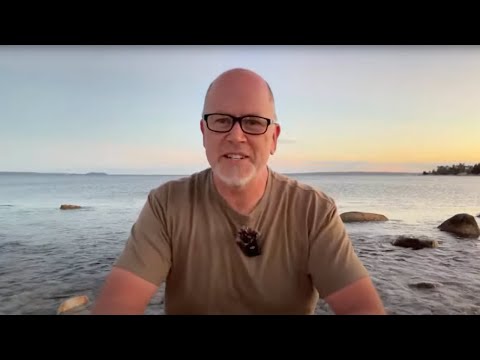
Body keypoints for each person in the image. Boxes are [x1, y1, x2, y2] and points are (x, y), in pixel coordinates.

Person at [91, 68, 386, 315]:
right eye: (221, 120)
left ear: (273, 138)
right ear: (204, 132)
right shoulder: (166, 205)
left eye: (253, 122)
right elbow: (118, 304)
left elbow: (360, 307)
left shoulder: (313, 210)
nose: (235, 135)